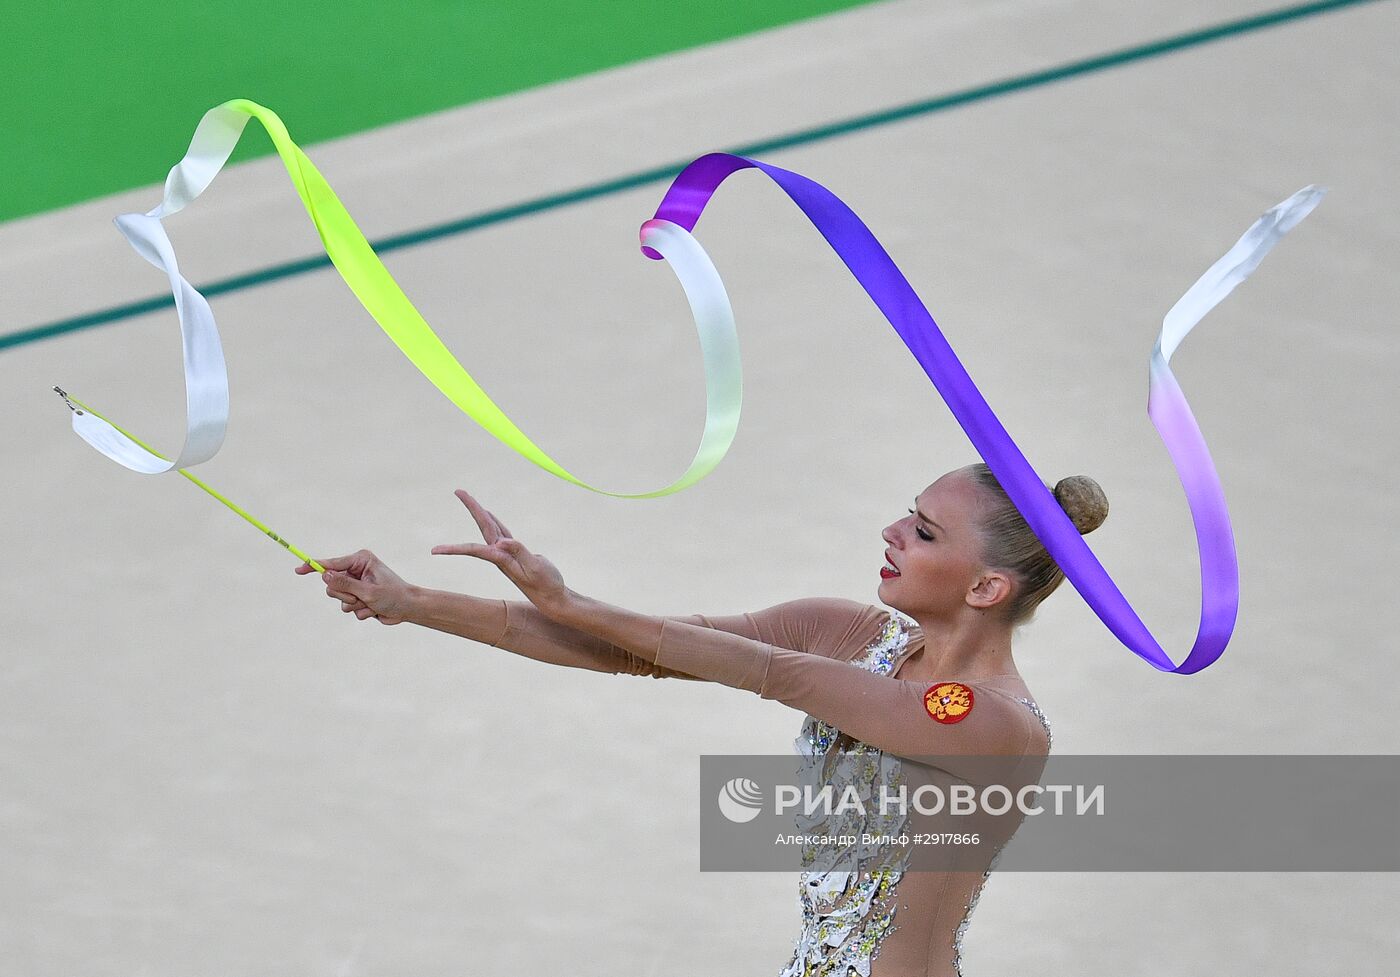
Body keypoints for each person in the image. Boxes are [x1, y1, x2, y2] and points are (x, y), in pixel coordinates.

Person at [296, 463, 1108, 976]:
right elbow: (644, 649)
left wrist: (570, 594)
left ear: (986, 589)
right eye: (908, 512)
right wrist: (411, 602)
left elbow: (775, 674)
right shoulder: (854, 632)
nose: (892, 532)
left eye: (925, 532)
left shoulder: (996, 725)